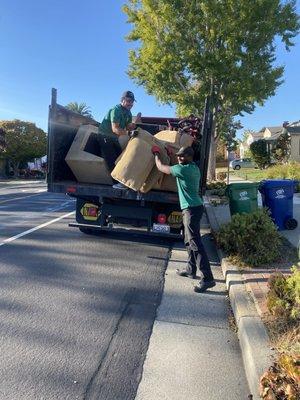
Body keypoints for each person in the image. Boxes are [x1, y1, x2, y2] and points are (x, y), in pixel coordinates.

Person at [152, 145, 215, 293]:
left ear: (189, 157)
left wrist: (156, 154)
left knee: (195, 243)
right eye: (178, 155)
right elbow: (177, 162)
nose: (179, 158)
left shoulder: (182, 170)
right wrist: (171, 154)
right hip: (194, 208)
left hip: (191, 209)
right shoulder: (193, 167)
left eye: (182, 156)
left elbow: (161, 167)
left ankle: (208, 279)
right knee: (187, 240)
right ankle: (190, 269)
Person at [99, 91, 141, 184]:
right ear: (122, 100)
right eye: (129, 101)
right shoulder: (116, 110)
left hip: (114, 137)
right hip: (104, 136)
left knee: (120, 157)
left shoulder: (128, 113)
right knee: (111, 159)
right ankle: (115, 183)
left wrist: (134, 124)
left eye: (132, 102)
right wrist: (129, 133)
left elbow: (128, 126)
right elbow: (115, 129)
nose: (131, 103)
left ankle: (120, 180)